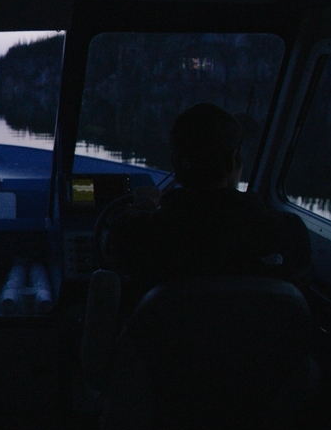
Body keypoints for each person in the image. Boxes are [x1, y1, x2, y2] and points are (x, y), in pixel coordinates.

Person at [105, 103, 312, 309]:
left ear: (174, 164)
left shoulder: (142, 235)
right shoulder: (288, 233)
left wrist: (144, 203)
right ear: (232, 160)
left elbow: (114, 246)